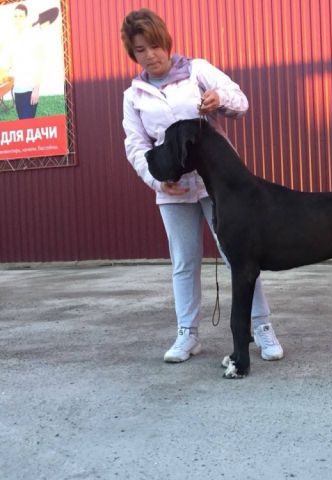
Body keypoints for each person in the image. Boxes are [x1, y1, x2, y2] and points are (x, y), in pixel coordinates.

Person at [120, 8, 284, 364]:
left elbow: (241, 102)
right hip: (173, 190)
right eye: (140, 50)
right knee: (184, 262)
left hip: (219, 186)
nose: (150, 55)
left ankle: (262, 326)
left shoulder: (197, 71)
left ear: (166, 42)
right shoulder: (134, 95)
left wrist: (220, 99)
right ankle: (187, 334)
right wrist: (156, 181)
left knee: (238, 258)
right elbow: (136, 145)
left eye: (154, 46)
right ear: (132, 54)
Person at [7, 3, 43, 119]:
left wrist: (36, 89)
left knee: (27, 123)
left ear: (26, 17)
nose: (18, 19)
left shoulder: (33, 36)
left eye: (21, 16)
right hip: (18, 90)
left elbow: (39, 63)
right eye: (15, 16)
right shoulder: (13, 39)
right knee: (23, 125)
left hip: (29, 90)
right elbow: (12, 64)